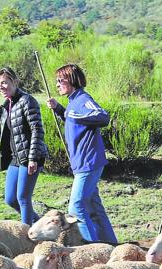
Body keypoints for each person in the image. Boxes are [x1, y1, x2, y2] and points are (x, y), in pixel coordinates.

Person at [46, 64, 117, 243]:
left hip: (88, 162)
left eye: (60, 81)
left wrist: (75, 115)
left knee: (76, 207)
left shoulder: (83, 99)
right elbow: (75, 121)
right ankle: (111, 245)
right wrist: (60, 110)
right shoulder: (73, 102)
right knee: (94, 207)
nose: (57, 85)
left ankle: (90, 249)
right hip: (83, 162)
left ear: (72, 80)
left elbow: (102, 116)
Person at [0, 67, 48, 225]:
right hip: (15, 158)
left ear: (15, 81)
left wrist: (32, 158)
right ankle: (39, 225)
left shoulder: (28, 101)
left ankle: (26, 235)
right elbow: (5, 135)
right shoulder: (7, 106)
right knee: (11, 199)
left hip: (30, 157)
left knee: (23, 198)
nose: (1, 87)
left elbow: (37, 130)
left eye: (4, 82)